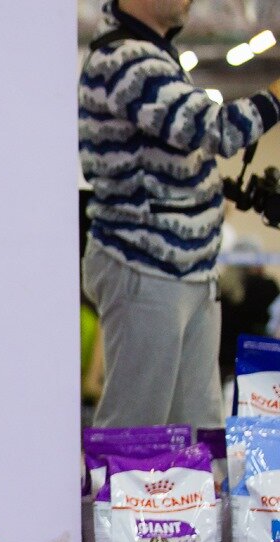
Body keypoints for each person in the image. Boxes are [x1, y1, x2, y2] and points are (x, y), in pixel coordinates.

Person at [79, 0, 280, 430]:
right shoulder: (125, 58)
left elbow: (178, 153)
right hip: (145, 264)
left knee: (198, 424)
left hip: (184, 268)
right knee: (136, 425)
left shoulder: (155, 54)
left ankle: (191, 498)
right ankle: (120, 496)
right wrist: (276, 97)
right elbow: (212, 129)